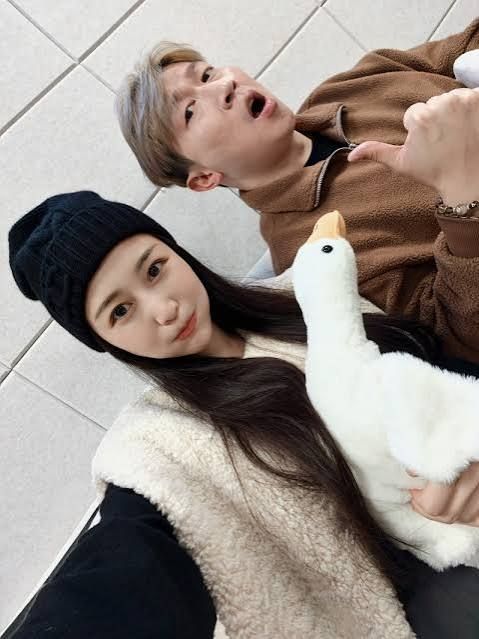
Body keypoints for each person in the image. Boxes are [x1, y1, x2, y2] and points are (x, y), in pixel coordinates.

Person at [7, 190, 479, 638]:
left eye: (154, 269)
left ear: (175, 251)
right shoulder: (156, 445)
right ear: (104, 341)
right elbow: (126, 565)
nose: (164, 309)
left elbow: (438, 367)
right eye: (120, 311)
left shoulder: (304, 290)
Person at [116, 19, 479, 363]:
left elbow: (465, 43)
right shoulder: (315, 257)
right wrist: (464, 196)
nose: (223, 86)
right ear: (204, 178)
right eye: (190, 111)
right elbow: (458, 336)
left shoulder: (348, 85)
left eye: (207, 74)